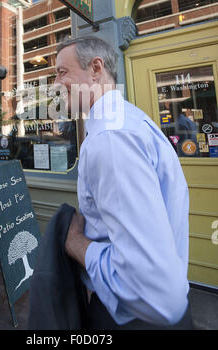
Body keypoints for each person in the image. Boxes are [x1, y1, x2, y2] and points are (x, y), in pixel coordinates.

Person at [54, 36, 193, 330]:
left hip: (134, 318)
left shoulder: (111, 139)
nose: (55, 83)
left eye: (61, 72)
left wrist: (76, 244)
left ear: (95, 69)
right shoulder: (129, 121)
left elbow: (156, 293)